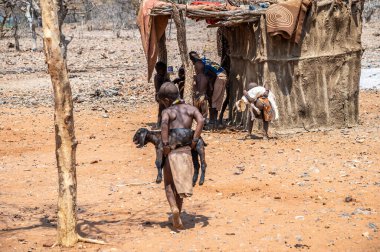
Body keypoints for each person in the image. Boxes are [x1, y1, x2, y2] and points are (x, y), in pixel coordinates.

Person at [158, 82, 205, 229]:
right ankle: (177, 212)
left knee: (169, 184)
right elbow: (201, 120)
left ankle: (174, 209)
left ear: (166, 100)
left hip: (171, 151)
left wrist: (165, 145)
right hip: (186, 151)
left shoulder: (167, 112)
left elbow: (164, 124)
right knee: (180, 185)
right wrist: (195, 139)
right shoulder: (191, 109)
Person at [154, 61, 170, 129]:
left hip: (158, 95)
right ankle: (161, 124)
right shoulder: (159, 77)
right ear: (160, 70)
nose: (164, 71)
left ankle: (159, 124)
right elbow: (163, 86)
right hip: (161, 96)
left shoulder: (157, 76)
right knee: (164, 110)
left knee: (161, 110)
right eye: (163, 70)